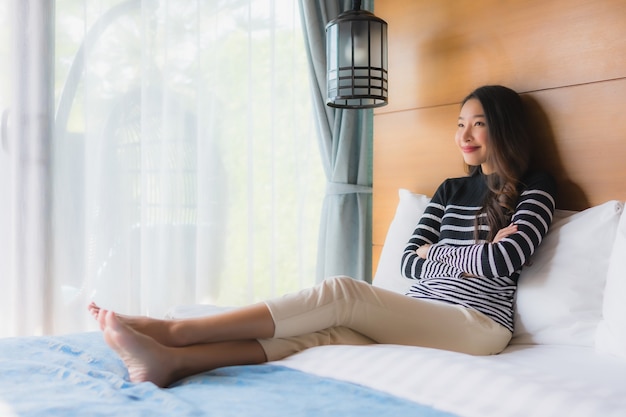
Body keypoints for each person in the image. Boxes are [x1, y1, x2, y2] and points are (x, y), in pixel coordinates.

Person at [89, 85, 556, 388]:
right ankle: (174, 362)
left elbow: (504, 263)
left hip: (476, 325)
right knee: (327, 333)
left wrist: (444, 253)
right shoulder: (449, 189)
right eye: (460, 123)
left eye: (478, 122)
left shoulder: (536, 185)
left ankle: (173, 331)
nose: (465, 134)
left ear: (503, 128)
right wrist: (473, 251)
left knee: (342, 292)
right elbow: (409, 264)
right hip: (424, 310)